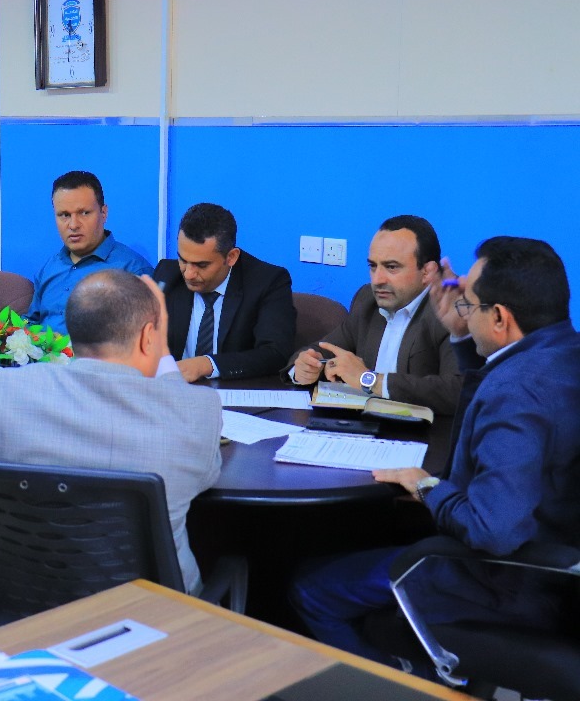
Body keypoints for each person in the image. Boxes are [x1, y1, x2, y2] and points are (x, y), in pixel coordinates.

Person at [289, 237, 580, 667]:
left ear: (500, 317)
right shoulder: (561, 355)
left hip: (506, 583)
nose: (462, 311)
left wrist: (427, 486)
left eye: (469, 305)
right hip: (557, 566)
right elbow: (485, 416)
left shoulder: (517, 390)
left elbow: (492, 531)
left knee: (311, 587)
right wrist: (462, 337)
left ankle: (396, 686)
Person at [0, 269, 224, 596]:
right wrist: (162, 351)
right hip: (158, 621)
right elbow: (204, 476)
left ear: (72, 331)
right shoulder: (197, 413)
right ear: (148, 336)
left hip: (20, 616)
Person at [288, 215, 461, 414]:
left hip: (426, 430)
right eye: (373, 266)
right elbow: (321, 350)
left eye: (391, 267)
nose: (377, 280)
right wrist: (304, 368)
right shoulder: (367, 300)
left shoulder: (453, 307)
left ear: (427, 272)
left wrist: (369, 380)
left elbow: (456, 390)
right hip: (366, 425)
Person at [154, 202, 296, 382]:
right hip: (174, 389)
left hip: (233, 390)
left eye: (201, 265)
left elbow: (275, 353)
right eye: (183, 260)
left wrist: (207, 364)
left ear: (231, 257)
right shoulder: (167, 276)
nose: (188, 274)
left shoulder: (268, 282)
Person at [27, 171, 153, 334]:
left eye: (84, 213)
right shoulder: (49, 268)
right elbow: (31, 322)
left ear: (103, 213)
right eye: (64, 215)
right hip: (42, 350)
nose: (73, 225)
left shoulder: (132, 270)